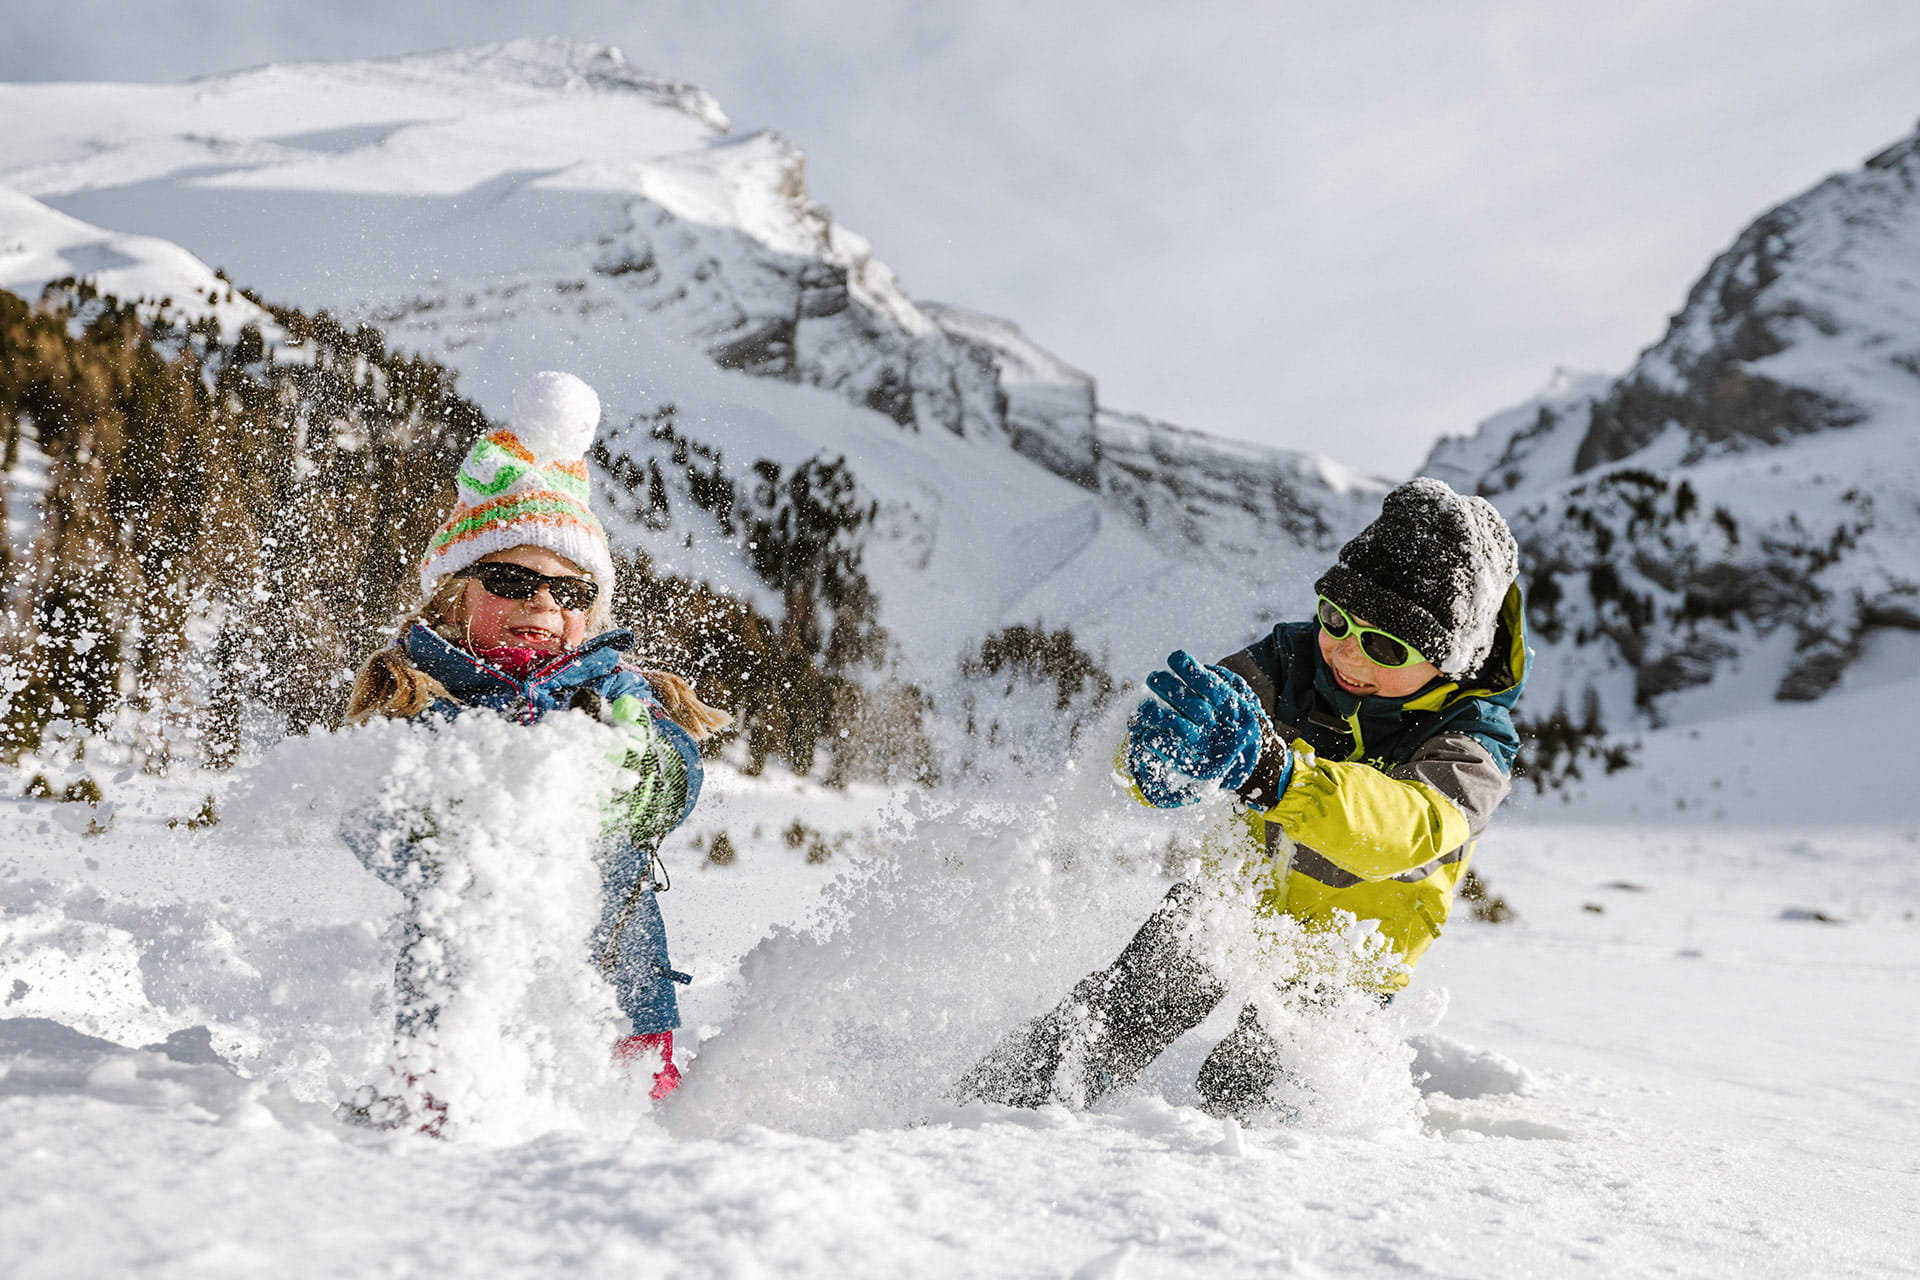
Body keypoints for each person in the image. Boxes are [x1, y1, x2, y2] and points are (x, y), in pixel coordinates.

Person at [956, 477, 1528, 1120]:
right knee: (1123, 1009)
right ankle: (987, 1111)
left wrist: (1279, 778)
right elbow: (1195, 716)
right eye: (1337, 618)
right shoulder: (1291, 660)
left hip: (1351, 945)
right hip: (1237, 895)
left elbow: (1409, 827)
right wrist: (1154, 762)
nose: (1346, 650)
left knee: (1253, 1088)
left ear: (1450, 659)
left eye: (1386, 645)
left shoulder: (1474, 738)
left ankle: (1212, 1186)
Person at [342, 371, 730, 1129]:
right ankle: (427, 1097)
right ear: (454, 595)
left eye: (570, 591)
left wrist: (626, 769)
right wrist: (461, 788)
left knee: (612, 863)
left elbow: (676, 783)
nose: (543, 604)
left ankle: (634, 1094)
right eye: (513, 579)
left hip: (612, 1002)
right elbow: (369, 819)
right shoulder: (423, 696)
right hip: (466, 994)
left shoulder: (619, 699)